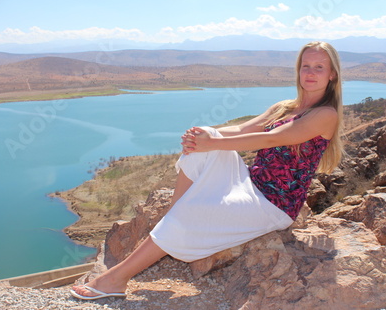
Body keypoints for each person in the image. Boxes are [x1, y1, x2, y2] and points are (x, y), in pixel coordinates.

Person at [71, 41, 344, 300]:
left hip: (273, 204)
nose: (310, 72)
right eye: (305, 66)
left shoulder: (325, 115)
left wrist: (212, 143)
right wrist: (200, 137)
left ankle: (115, 279)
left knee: (208, 155)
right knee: (206, 138)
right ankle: (175, 218)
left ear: (331, 74)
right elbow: (241, 130)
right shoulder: (284, 107)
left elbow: (272, 139)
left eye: (319, 67)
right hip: (251, 182)